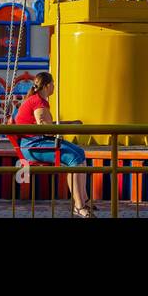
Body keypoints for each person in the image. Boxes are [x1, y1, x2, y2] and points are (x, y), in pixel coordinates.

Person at [13, 72, 93, 217]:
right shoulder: (38, 102)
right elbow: (45, 128)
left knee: (80, 153)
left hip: (35, 142)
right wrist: (66, 127)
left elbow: (47, 126)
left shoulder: (36, 99)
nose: (54, 86)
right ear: (47, 85)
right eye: (53, 83)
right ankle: (79, 206)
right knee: (73, 159)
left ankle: (84, 199)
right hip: (33, 145)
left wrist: (69, 123)